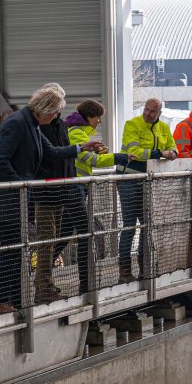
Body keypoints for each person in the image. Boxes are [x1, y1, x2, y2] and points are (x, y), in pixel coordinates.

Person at [0, 84, 102, 314]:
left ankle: (15, 300)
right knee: (11, 250)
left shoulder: (33, 124)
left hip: (19, 198)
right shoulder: (17, 124)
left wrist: (81, 148)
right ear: (46, 110)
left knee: (18, 250)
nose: (58, 117)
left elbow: (53, 152)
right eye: (56, 112)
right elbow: (2, 161)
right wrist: (23, 185)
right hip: (8, 199)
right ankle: (1, 301)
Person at [65, 99, 129, 293]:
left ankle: (44, 279)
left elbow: (90, 158)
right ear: (89, 117)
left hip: (78, 188)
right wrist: (117, 157)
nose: (99, 121)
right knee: (85, 232)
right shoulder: (76, 133)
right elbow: (90, 160)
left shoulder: (81, 133)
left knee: (64, 233)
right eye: (98, 117)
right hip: (73, 188)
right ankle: (86, 285)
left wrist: (100, 152)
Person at [118, 98, 177, 279]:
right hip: (128, 178)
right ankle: (125, 272)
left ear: (159, 113)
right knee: (130, 225)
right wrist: (162, 154)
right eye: (146, 109)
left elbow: (173, 149)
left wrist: (172, 153)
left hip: (149, 181)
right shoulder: (132, 124)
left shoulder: (164, 128)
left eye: (152, 111)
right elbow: (135, 153)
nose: (147, 114)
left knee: (146, 226)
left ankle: (144, 268)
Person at [31, 83, 78, 304]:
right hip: (45, 192)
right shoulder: (40, 127)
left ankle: (45, 284)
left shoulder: (60, 125)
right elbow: (51, 156)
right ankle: (43, 286)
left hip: (60, 190)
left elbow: (65, 158)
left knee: (53, 239)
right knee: (46, 240)